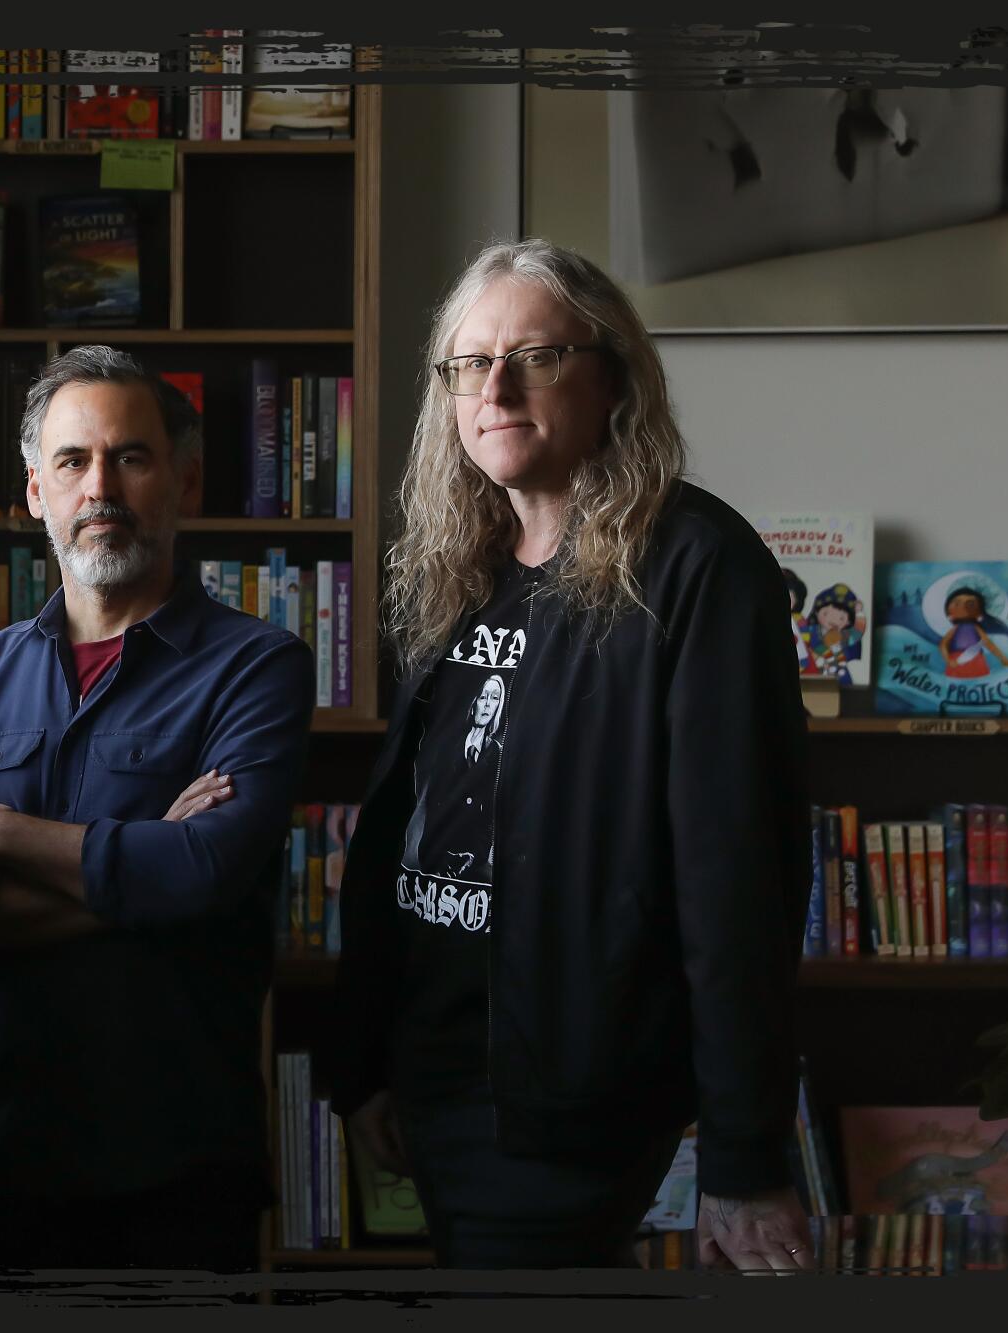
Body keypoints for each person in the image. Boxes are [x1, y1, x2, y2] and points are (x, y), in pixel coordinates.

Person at [327, 239, 815, 1272]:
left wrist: (743, 1153)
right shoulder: (458, 563)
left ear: (611, 378)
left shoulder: (695, 567)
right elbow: (403, 828)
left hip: (569, 1083)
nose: (493, 386)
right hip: (436, 1068)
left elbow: (737, 881)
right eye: (468, 363)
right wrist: (365, 1061)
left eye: (534, 357)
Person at [0, 345, 316, 1271]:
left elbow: (211, 869)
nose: (101, 487)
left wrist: (3, 832)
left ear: (184, 476)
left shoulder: (258, 668)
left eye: (130, 456)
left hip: (177, 1163)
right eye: (72, 461)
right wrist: (145, 874)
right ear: (34, 492)